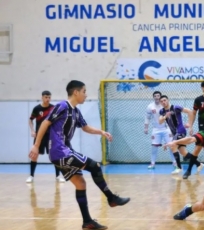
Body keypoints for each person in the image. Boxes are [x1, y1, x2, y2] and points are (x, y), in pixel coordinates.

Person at [29, 80, 130, 230]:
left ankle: (87, 222)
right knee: (95, 166)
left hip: (64, 152)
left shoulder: (76, 111)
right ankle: (111, 198)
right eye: (84, 91)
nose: (86, 94)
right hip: (59, 151)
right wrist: (36, 146)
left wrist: (102, 132)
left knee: (81, 184)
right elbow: (45, 123)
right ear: (76, 92)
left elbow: (85, 127)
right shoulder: (62, 106)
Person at [159, 95, 204, 175]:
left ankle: (178, 168)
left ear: (168, 100)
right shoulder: (162, 111)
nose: (163, 102)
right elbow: (160, 121)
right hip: (174, 133)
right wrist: (166, 116)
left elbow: (190, 111)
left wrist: (190, 125)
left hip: (180, 131)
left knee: (173, 146)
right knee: (183, 153)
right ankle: (199, 164)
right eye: (161, 101)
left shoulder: (176, 107)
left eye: (165, 100)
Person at [27, 90, 65, 183]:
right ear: (42, 97)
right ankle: (31, 176)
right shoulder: (36, 109)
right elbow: (30, 120)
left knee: (55, 155)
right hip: (39, 136)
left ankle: (58, 176)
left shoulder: (53, 108)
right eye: (46, 97)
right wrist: (32, 130)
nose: (47, 99)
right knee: (34, 155)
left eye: (49, 97)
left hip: (51, 136)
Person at [144, 91, 176, 170]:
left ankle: (175, 163)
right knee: (154, 148)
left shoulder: (166, 106)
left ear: (161, 97)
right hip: (156, 129)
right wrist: (146, 127)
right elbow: (147, 117)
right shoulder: (150, 106)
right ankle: (152, 163)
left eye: (158, 96)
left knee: (171, 146)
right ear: (153, 97)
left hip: (166, 129)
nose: (157, 97)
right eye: (155, 96)